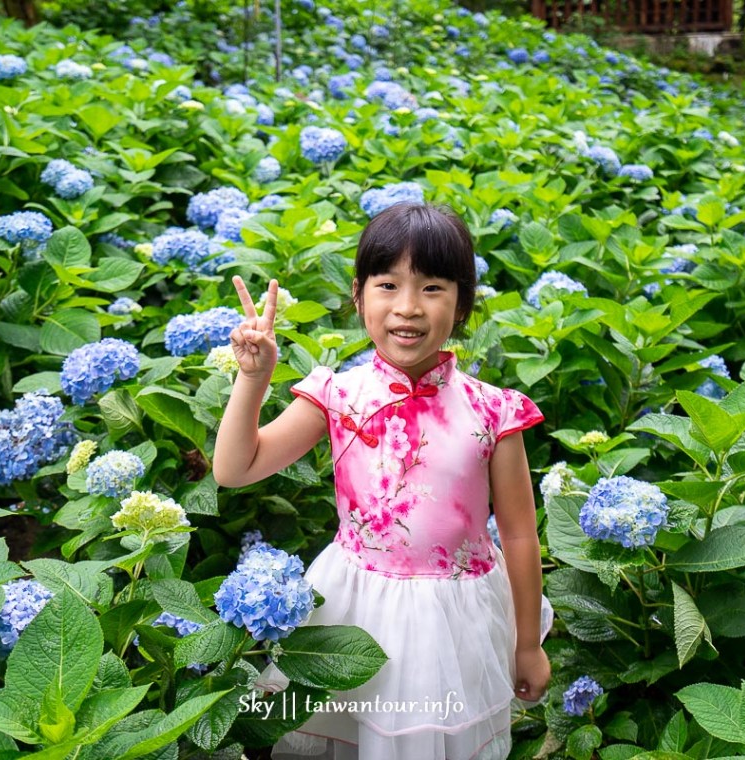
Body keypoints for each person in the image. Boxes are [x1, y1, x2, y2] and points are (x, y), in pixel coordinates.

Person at [213, 202, 553, 760]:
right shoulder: (337, 395)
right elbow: (235, 468)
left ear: (463, 302)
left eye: (433, 288)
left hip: (456, 622)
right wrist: (254, 379)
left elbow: (518, 534)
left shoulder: (494, 412)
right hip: (353, 607)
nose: (408, 307)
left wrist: (525, 644)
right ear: (358, 295)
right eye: (388, 284)